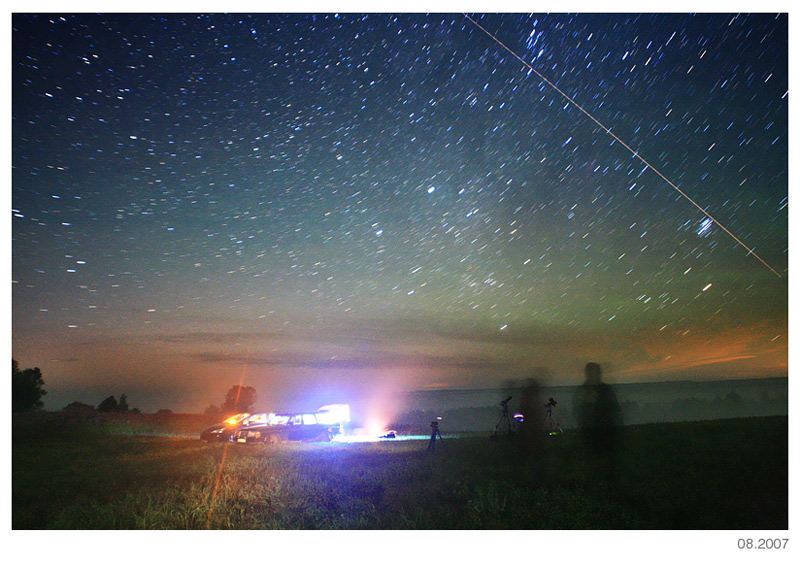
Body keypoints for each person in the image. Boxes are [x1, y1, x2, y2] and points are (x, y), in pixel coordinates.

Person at [573, 362, 622, 482]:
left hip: (605, 432)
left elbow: (614, 409)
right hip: (594, 433)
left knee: (606, 464)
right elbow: (579, 411)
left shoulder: (601, 389)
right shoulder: (588, 390)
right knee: (599, 463)